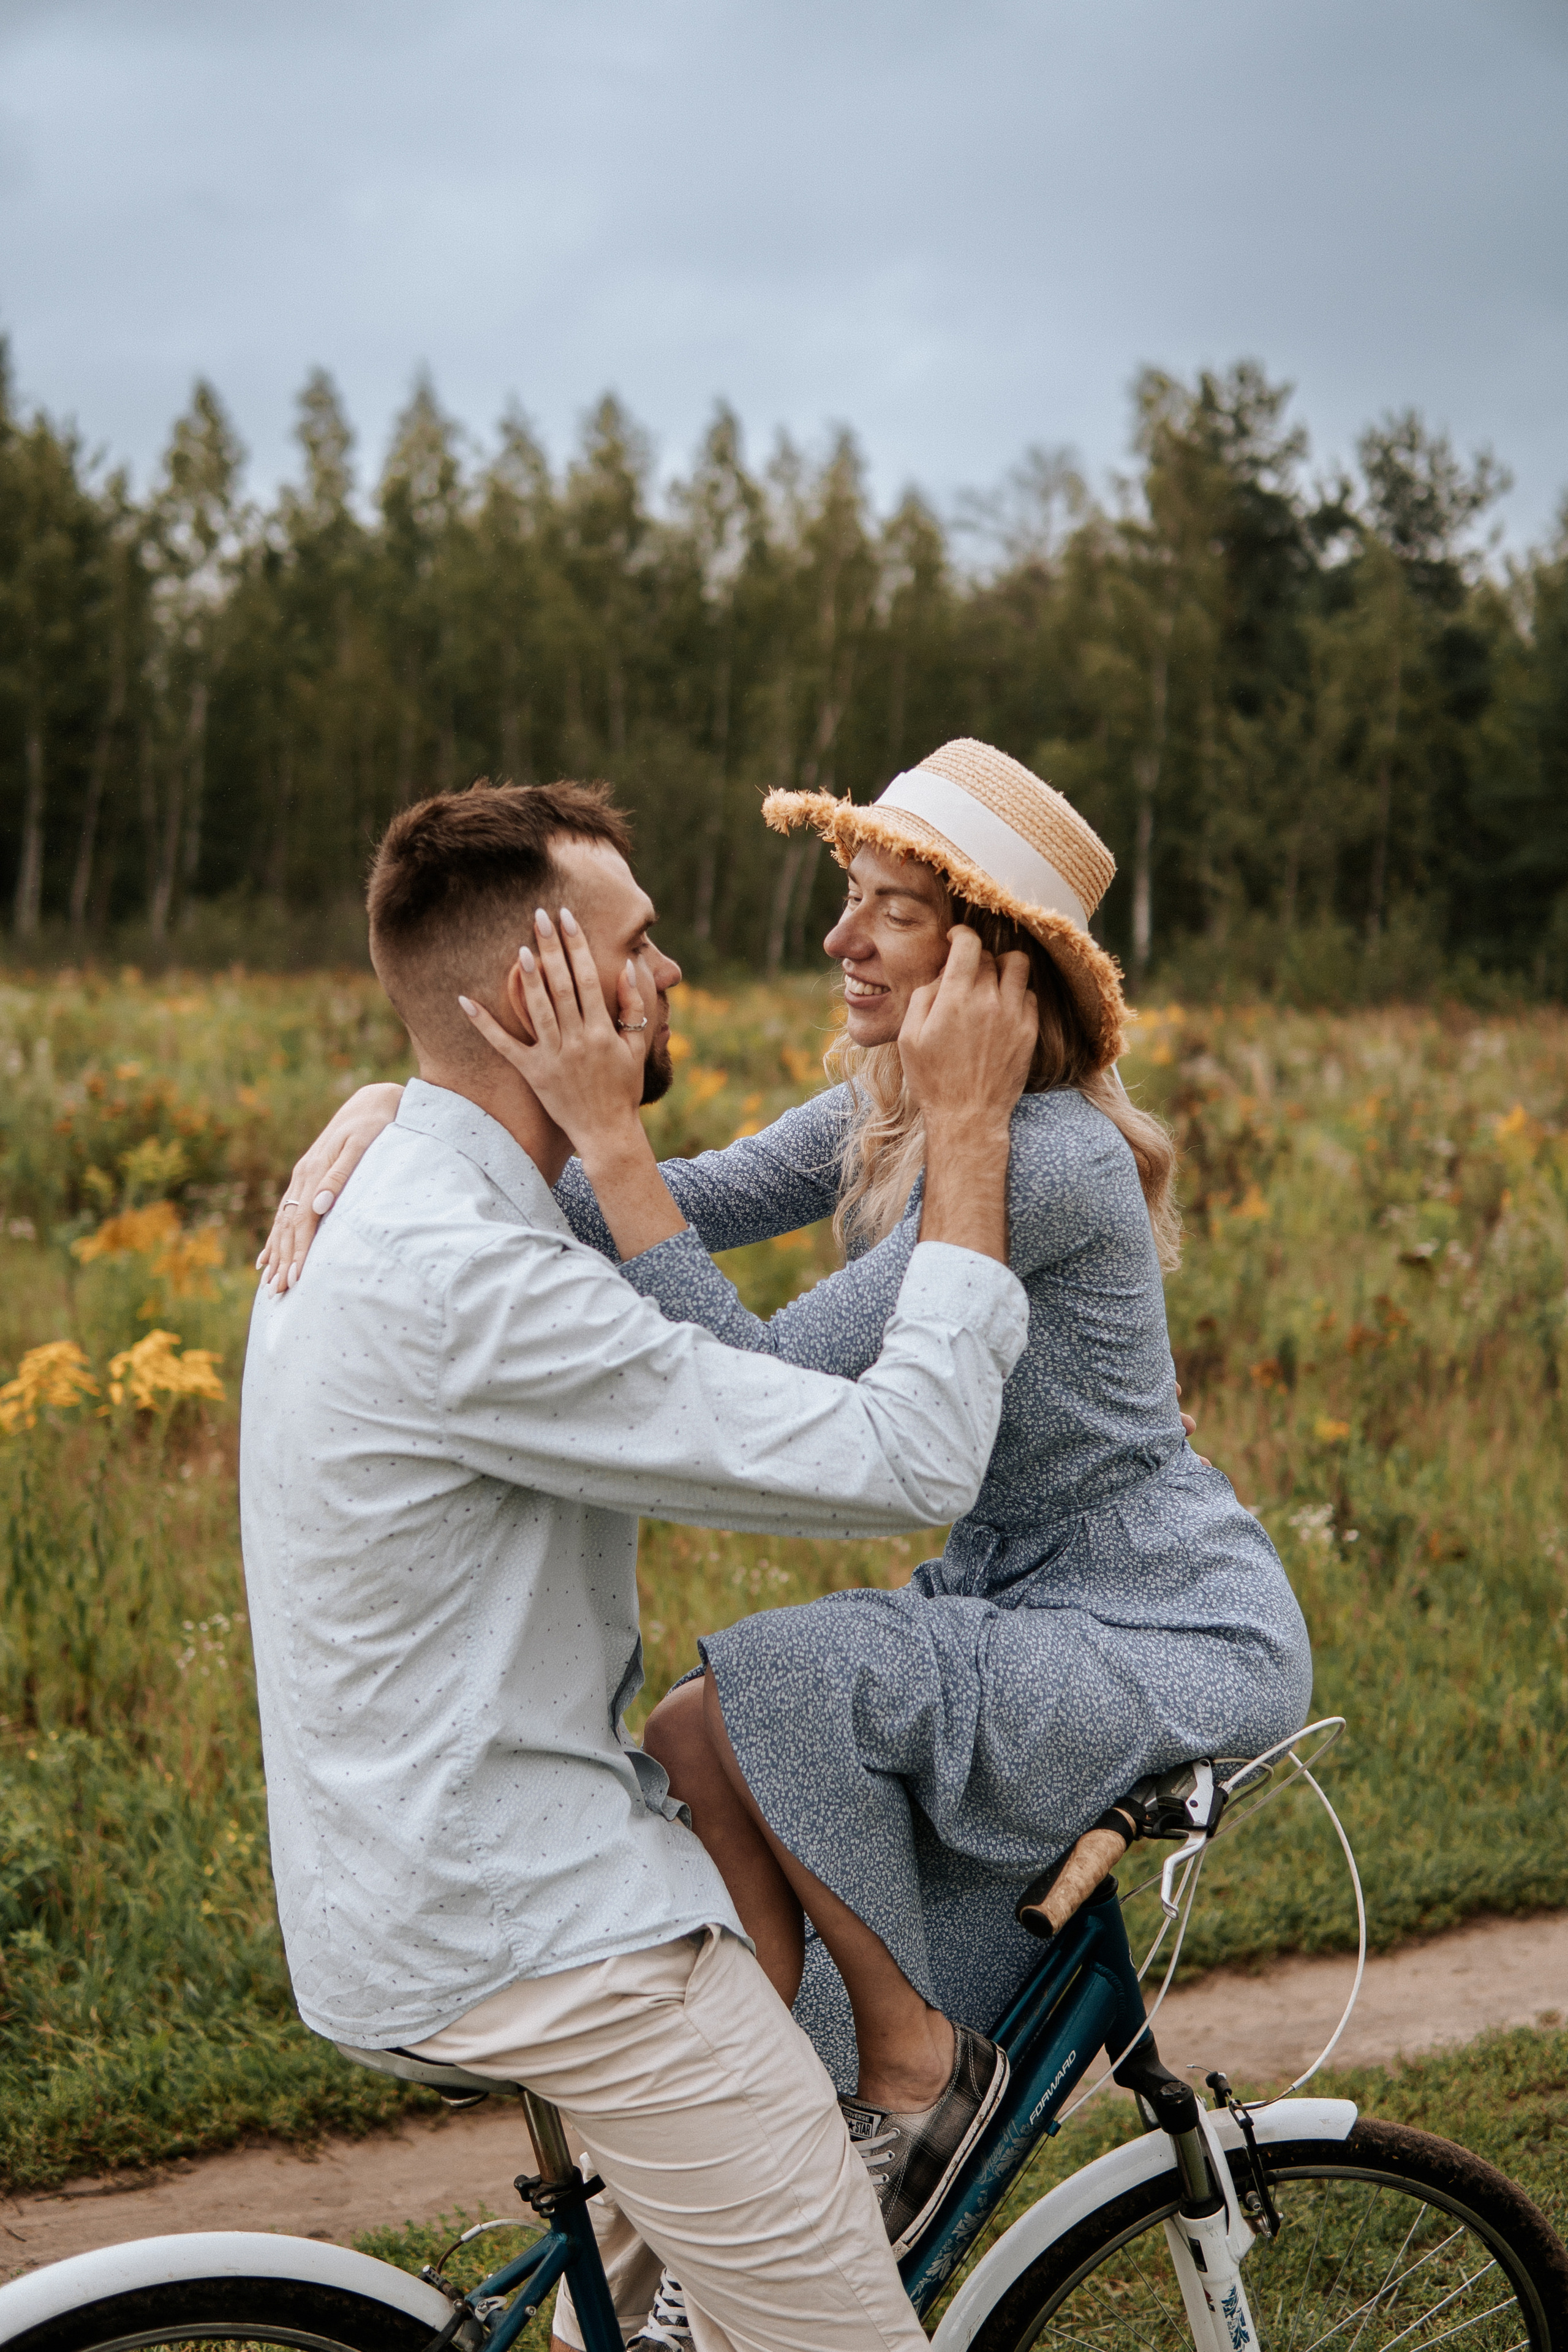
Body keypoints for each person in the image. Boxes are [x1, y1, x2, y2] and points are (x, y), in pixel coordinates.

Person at [261, 740, 1312, 2271]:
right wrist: (413, 1095)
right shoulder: (878, 1117)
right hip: (1009, 1595)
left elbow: (760, 1378)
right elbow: (567, 1202)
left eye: (885, 912)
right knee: (696, 1729)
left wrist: (613, 1140)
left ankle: (915, 2072)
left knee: (785, 1675)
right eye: (855, 900)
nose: (839, 939)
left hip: (1157, 1615)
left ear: (990, 970)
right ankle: (775, 2134)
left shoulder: (1048, 1155)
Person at [239, 777, 1040, 2352]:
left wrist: (395, 1091)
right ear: (534, 994)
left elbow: (590, 1164)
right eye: (640, 942)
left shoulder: (417, 1184)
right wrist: (966, 1130)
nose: (672, 974)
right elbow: (903, 1462)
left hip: (429, 1878)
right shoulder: (481, 1289)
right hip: (533, 1928)